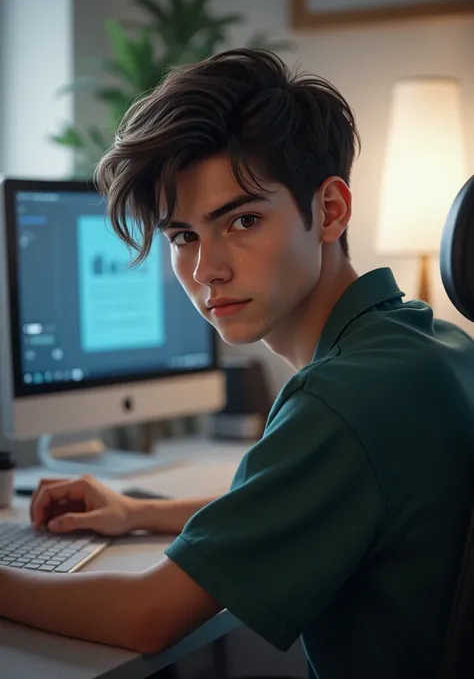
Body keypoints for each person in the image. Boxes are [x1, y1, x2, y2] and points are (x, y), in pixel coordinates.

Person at [1, 48, 474, 679]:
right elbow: (300, 496)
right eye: (183, 236)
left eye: (243, 220)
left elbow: (147, 615)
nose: (206, 271)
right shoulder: (424, 345)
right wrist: (136, 513)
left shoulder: (342, 398)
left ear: (329, 210)